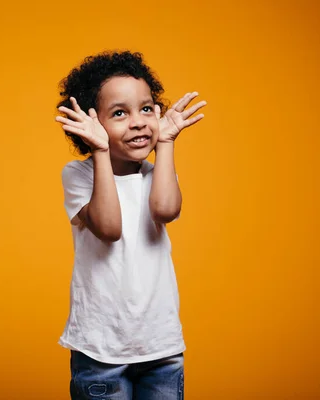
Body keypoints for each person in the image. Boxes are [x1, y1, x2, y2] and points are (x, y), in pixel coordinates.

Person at [55, 50, 206, 400]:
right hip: (100, 349)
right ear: (90, 124)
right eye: (120, 113)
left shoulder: (158, 174)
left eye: (147, 108)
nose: (138, 122)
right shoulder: (79, 175)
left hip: (160, 346)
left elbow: (165, 210)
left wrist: (166, 142)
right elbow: (109, 228)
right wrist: (101, 151)